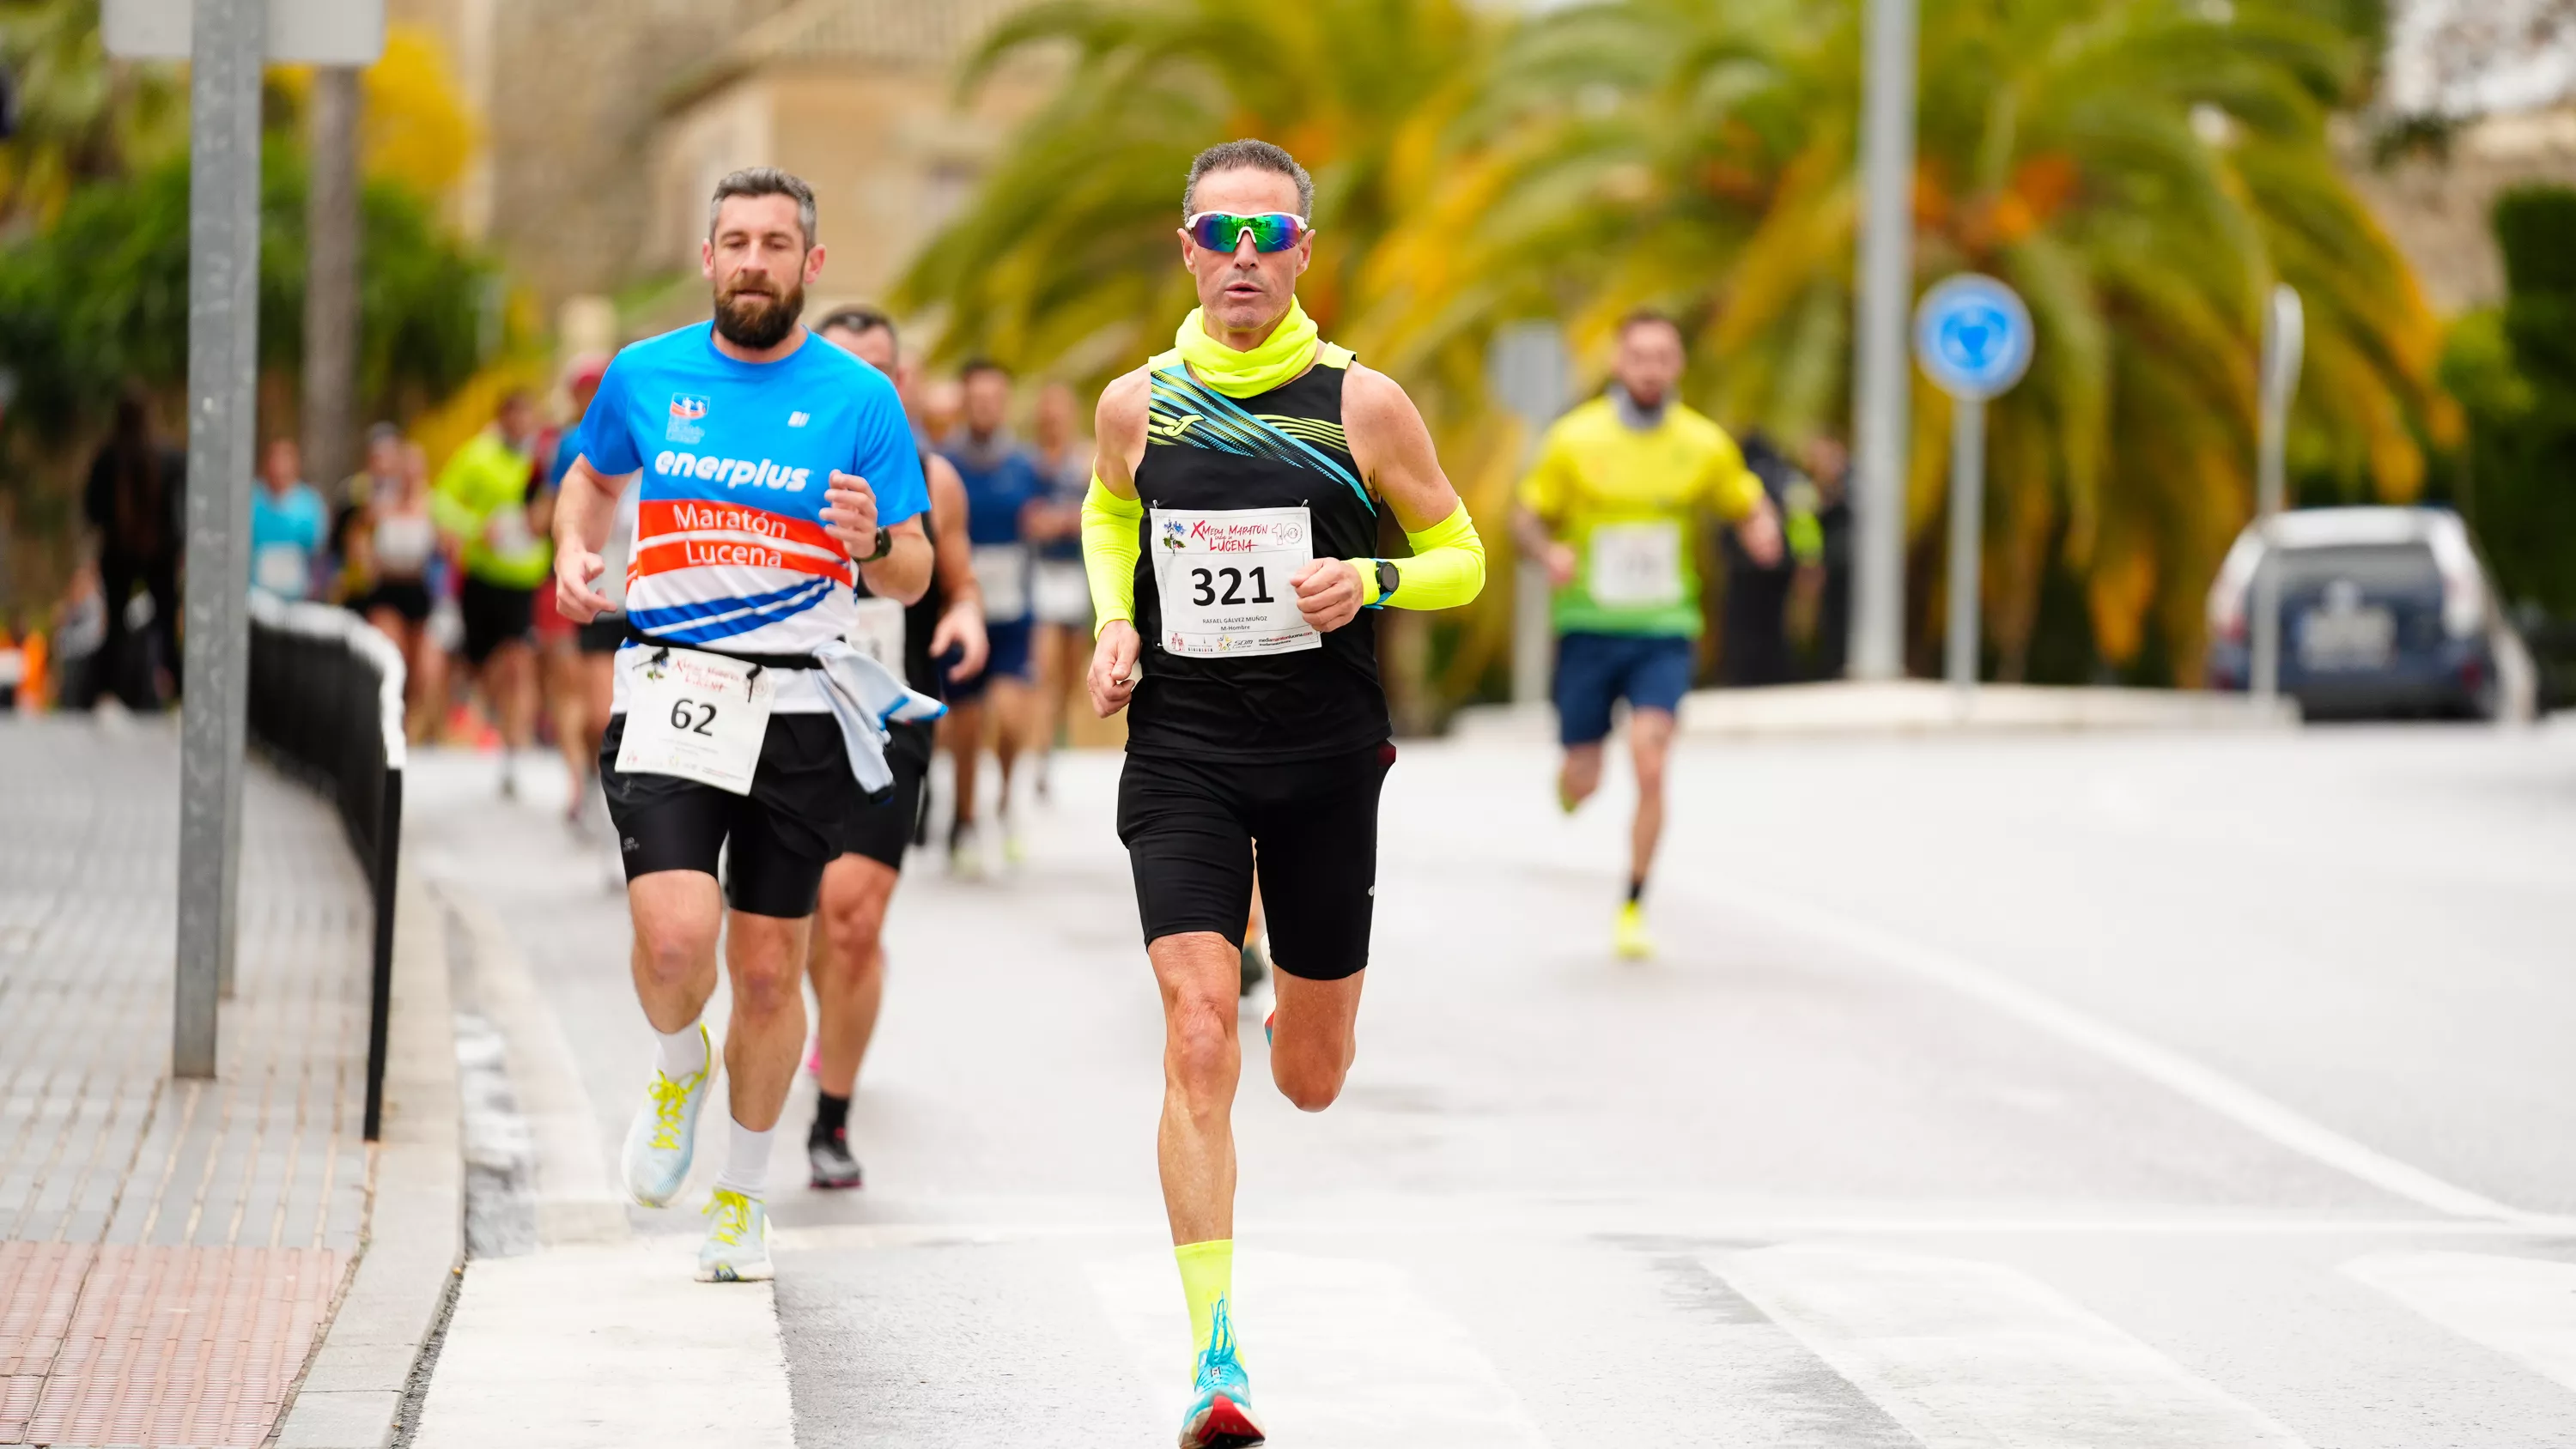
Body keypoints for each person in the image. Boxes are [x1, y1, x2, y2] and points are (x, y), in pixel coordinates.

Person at [1082, 139, 1487, 1449]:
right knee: (1197, 1023)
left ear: (1305, 251)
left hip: (1324, 762)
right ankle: (1214, 1358)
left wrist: (1369, 584)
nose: (1244, 259)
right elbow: (1108, 514)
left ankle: (1300, 1029)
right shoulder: (1136, 403)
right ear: (1185, 247)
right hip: (1184, 749)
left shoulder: (1362, 403)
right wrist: (1112, 623)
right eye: (1220, 233)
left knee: (1307, 1077)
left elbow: (1464, 557)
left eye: (1271, 237)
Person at [550, 167, 937, 1284]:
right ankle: (678, 1065)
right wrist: (577, 546)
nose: (755, 260)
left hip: (805, 703)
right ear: (708, 257)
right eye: (736, 241)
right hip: (675, 683)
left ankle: (742, 1196)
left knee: (770, 972)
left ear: (810, 266)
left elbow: (914, 573)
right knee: (676, 939)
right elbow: (588, 480)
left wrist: (872, 542)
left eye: (777, 243)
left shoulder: (861, 399)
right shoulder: (646, 373)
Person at [1511, 311, 1783, 961]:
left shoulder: (1703, 443)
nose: (1651, 368)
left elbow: (1745, 500)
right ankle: (1572, 777)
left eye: (1663, 356)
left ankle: (1632, 905)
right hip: (1588, 627)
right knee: (1587, 776)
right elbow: (1527, 516)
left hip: (1664, 629)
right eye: (1640, 356)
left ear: (1679, 364)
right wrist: (1548, 555)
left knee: (1652, 763)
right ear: (1618, 363)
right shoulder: (1575, 440)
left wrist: (1763, 529)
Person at [801, 304, 988, 1191]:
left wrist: (965, 613)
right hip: (789, 707)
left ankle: (831, 1118)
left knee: (854, 916)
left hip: (892, 712)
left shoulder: (930, 476)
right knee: (803, 914)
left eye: (882, 369)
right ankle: (824, 1010)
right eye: (848, 367)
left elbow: (957, 575)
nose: (867, 385)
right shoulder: (774, 456)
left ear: (901, 382)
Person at [939, 360, 1047, 874]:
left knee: (1009, 716)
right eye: (976, 399)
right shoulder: (943, 463)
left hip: (1014, 617)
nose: (985, 408)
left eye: (993, 400)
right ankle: (962, 821)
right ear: (964, 401)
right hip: (966, 612)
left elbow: (1057, 514)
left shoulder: (1025, 465)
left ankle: (1005, 801)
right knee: (964, 726)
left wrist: (1048, 523)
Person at [433, 391, 551, 797]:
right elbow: (442, 503)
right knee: (486, 669)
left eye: (527, 417)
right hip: (482, 578)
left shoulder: (543, 460)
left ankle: (514, 754)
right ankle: (490, 715)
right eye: (513, 416)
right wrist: (474, 528)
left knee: (519, 663)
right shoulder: (477, 455)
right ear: (501, 418)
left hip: (524, 580)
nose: (521, 425)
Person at [543, 356, 617, 827]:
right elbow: (556, 504)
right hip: (599, 587)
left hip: (655, 597)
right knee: (600, 712)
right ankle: (589, 779)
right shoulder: (574, 443)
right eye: (584, 389)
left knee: (622, 713)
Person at [82, 391, 184, 707]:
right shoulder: (169, 457)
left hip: (119, 555)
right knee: (166, 624)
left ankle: (108, 694)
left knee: (115, 625)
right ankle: (180, 693)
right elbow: (181, 511)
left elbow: (91, 508)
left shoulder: (107, 457)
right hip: (159, 556)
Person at [1025, 380, 1092, 800]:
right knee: (1044, 671)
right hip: (1040, 574)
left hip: (1078, 574)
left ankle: (1050, 748)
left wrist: (1065, 519)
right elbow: (1028, 518)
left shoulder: (1086, 459)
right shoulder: (1030, 464)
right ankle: (1037, 759)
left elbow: (1098, 512)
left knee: (1069, 677)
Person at [355, 437, 445, 741]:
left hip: (418, 590)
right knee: (393, 653)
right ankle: (383, 721)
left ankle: (407, 723)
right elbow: (357, 539)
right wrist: (365, 559)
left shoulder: (433, 505)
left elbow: (449, 548)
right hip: (387, 590)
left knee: (420, 671)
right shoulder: (380, 505)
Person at [249, 438, 330, 603]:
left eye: (285, 459)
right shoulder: (252, 500)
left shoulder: (310, 503)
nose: (279, 467)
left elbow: (319, 552)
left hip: (299, 598)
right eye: (275, 459)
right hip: (256, 598)